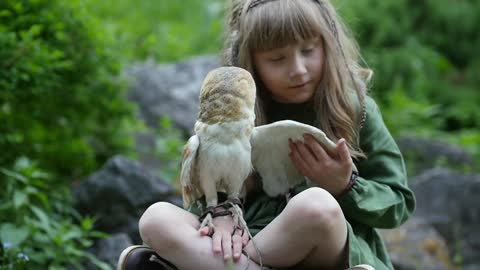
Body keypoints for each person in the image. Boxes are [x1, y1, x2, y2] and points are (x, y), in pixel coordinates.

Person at [117, 0, 416, 269]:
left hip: (324, 246)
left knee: (316, 206)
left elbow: (399, 203)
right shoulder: (231, 114)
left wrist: (345, 186)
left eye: (308, 50)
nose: (298, 69)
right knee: (156, 218)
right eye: (277, 59)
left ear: (328, 43)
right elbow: (208, 185)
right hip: (248, 239)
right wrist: (219, 213)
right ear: (250, 62)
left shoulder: (354, 109)